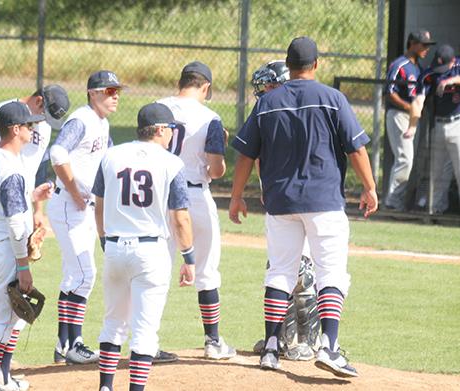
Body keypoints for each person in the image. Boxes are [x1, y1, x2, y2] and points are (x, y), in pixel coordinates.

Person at [229, 36, 378, 377]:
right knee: (331, 273)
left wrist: (237, 196)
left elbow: (246, 154)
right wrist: (369, 187)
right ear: (316, 64)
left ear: (288, 64)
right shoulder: (332, 98)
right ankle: (328, 346)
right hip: (323, 200)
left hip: (280, 201)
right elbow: (356, 149)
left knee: (280, 271)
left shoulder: (268, 102)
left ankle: (270, 347)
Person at [0, 85, 70, 372]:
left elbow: (36, 170)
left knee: (7, 303)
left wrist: (36, 208)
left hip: (11, 206)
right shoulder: (0, 116)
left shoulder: (34, 132)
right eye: (40, 117)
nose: (40, 126)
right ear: (38, 101)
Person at [92, 103, 195, 391]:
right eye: (171, 129)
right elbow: (180, 219)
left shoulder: (110, 156)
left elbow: (98, 207)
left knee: (113, 323)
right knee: (145, 330)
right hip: (150, 252)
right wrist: (189, 258)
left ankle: (106, 387)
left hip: (114, 247)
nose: (172, 134)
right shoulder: (171, 163)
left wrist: (104, 241)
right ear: (161, 129)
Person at [0, 101, 53, 391]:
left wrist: (30, 195)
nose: (33, 128)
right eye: (29, 125)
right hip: (5, 251)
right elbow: (17, 224)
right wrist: (23, 265)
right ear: (15, 129)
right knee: (1, 324)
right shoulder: (11, 167)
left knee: (9, 320)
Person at [156, 61, 236, 360]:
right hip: (194, 196)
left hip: (158, 197)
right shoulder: (210, 117)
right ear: (205, 87)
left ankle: (147, 342)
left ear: (181, 82)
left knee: (156, 270)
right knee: (206, 271)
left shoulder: (157, 107)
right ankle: (213, 342)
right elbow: (216, 171)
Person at [46, 70, 121, 365]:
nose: (115, 96)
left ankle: (64, 344)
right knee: (85, 275)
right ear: (93, 93)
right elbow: (57, 153)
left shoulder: (101, 123)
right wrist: (74, 191)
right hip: (70, 206)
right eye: (109, 91)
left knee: (73, 276)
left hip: (81, 208)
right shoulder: (82, 119)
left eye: (117, 92)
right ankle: (76, 344)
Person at [250, 60, 320, 361]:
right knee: (280, 268)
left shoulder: (306, 110)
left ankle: (311, 340)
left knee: (302, 271)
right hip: (281, 200)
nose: (264, 92)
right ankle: (281, 336)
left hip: (310, 198)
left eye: (269, 86)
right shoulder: (268, 113)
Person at [383, 30, 436, 211]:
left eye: (428, 45)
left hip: (414, 118)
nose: (426, 49)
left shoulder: (420, 69)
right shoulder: (400, 65)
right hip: (399, 115)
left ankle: (401, 203)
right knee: (405, 159)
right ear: (412, 43)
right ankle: (392, 202)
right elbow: (389, 93)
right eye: (423, 45)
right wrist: (409, 107)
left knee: (413, 162)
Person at [410, 44, 460, 214]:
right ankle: (435, 211)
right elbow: (418, 101)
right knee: (437, 173)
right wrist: (412, 126)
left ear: (452, 62)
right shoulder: (430, 73)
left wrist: (450, 81)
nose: (439, 70)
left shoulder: (458, 66)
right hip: (438, 125)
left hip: (457, 123)